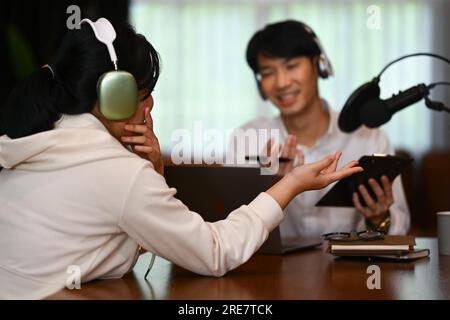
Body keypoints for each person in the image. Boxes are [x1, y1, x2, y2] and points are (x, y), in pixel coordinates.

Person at [0, 18, 362, 299]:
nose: (150, 105)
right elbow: (215, 252)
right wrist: (291, 185)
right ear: (114, 95)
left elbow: (128, 233)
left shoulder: (36, 138)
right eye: (144, 94)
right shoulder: (115, 171)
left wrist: (151, 169)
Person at [229, 20, 410, 240]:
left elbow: (400, 224)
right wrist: (272, 188)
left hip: (350, 270)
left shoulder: (367, 136)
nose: (282, 82)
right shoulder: (247, 140)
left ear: (319, 65)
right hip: (273, 272)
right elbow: (233, 233)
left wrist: (379, 217)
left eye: (291, 66)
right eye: (268, 72)